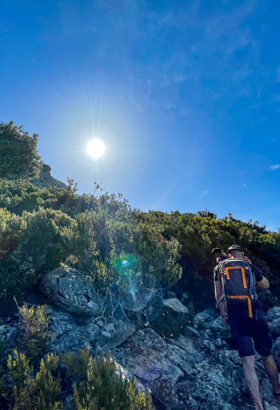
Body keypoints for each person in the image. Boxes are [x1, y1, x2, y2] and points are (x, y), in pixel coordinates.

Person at [214, 244, 280, 410]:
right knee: (266, 354)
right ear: (242, 254)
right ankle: (277, 390)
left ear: (229, 256)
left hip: (237, 319)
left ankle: (259, 406)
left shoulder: (219, 267)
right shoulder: (248, 265)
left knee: (248, 361)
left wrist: (224, 316)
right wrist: (251, 266)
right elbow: (265, 284)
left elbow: (219, 294)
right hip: (256, 315)